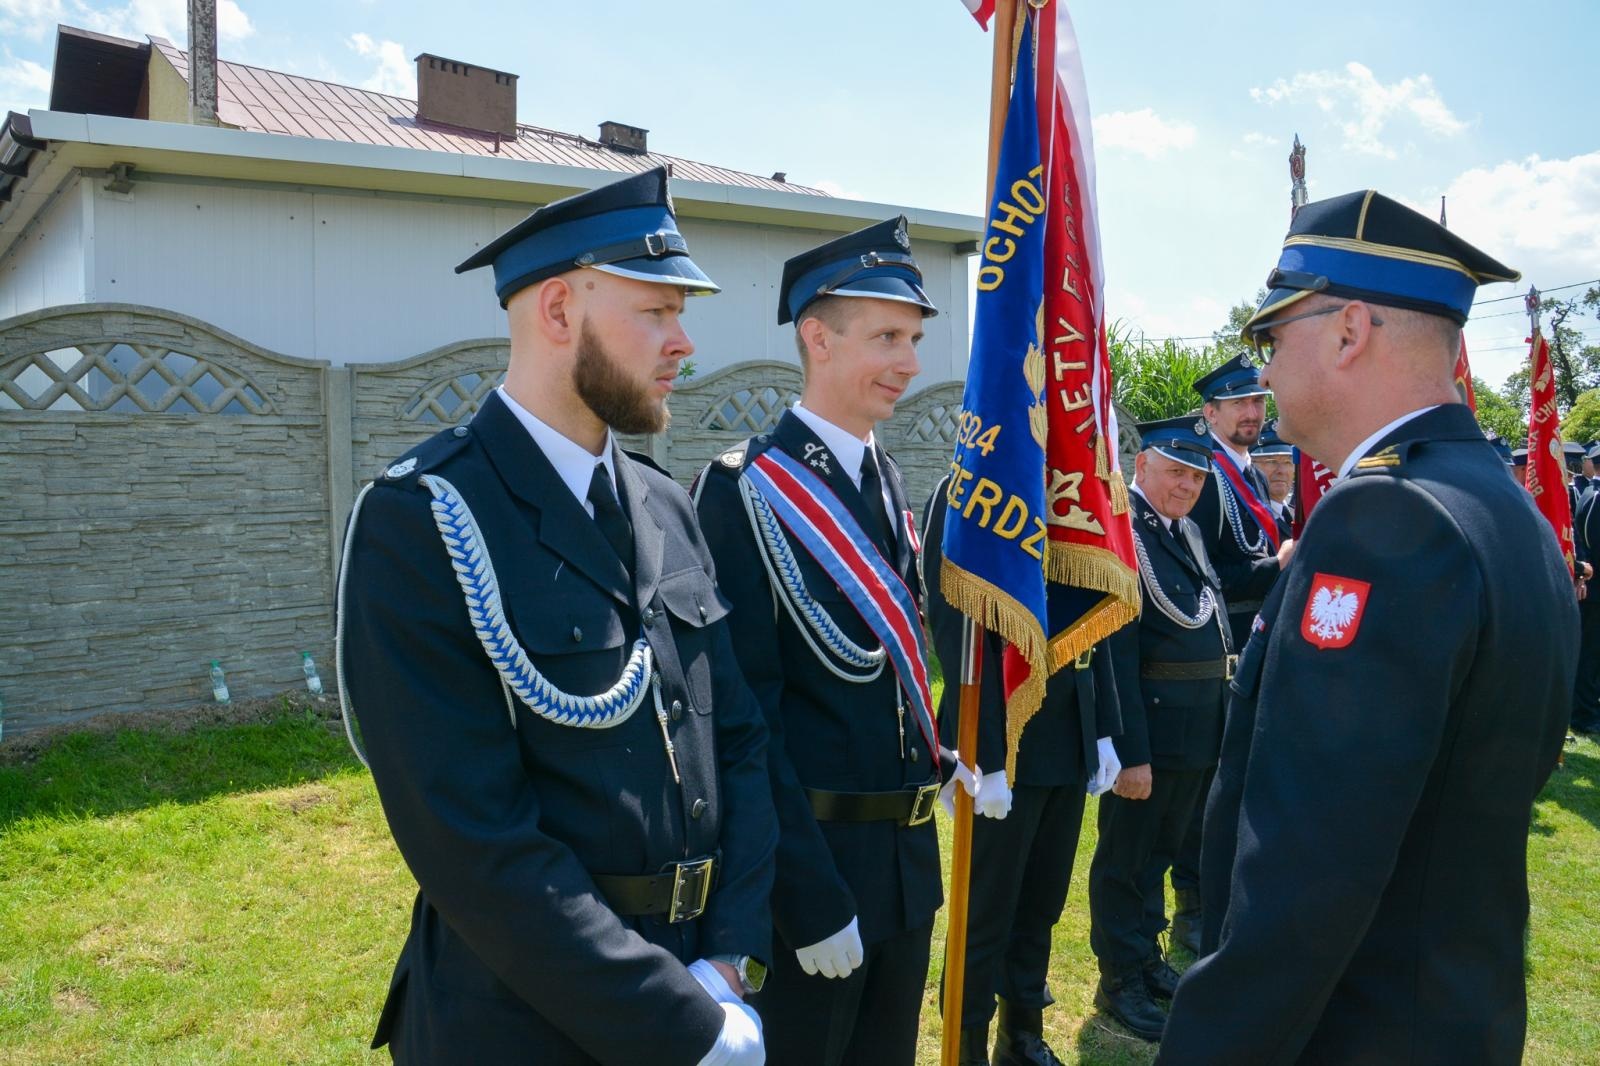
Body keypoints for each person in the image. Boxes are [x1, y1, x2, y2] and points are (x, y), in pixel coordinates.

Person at [338, 167, 778, 1066]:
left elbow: (737, 738)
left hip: (703, 975)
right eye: (655, 311)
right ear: (557, 310)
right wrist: (679, 1023)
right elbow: (472, 844)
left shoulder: (666, 504)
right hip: (522, 1017)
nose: (684, 342)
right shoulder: (424, 519)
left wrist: (730, 955)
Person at [1160, 189, 1578, 1064]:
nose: (1266, 371)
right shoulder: (1503, 505)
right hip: (1451, 1013)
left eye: (1273, 339)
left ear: (1349, 331)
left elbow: (1307, 871)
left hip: (1352, 1028)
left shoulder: (1386, 518)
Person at [693, 218, 976, 1066]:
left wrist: (935, 759)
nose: (911, 362)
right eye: (887, 337)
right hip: (816, 870)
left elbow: (882, 665)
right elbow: (746, 720)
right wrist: (806, 897)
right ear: (818, 339)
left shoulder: (883, 477)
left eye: (914, 339)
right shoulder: (744, 491)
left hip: (904, 866)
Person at [922, 476, 1123, 1066]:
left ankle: (1021, 1036)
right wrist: (986, 754)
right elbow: (957, 627)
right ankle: (966, 1046)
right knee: (985, 913)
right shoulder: (971, 487)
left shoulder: (1068, 485)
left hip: (1066, 737)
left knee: (1041, 905)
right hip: (1002, 743)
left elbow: (1094, 614)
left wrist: (1103, 724)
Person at [1085, 417, 1232, 1045]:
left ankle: (1145, 959)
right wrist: (1129, 752)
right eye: (1176, 472)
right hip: (1152, 728)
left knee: (1161, 854)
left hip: (1196, 727)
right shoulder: (1123, 530)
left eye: (1196, 478)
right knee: (1127, 860)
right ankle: (1118, 978)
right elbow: (1115, 651)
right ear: (1141, 465)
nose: (1187, 487)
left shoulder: (1184, 532)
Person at [1165, 355, 1294, 953]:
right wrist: (1279, 566)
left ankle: (1223, 893)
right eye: (1238, 403)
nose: (1252, 413)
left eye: (1257, 402)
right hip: (1222, 646)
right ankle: (1193, 906)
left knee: (1238, 781)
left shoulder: (1250, 472)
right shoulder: (1209, 473)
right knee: (1205, 790)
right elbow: (1204, 574)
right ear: (1209, 413)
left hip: (1257, 643)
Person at [1249, 420, 1295, 541]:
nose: (1281, 470)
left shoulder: (1300, 516)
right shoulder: (1248, 518)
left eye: (1287, 462)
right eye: (1271, 462)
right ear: (1252, 465)